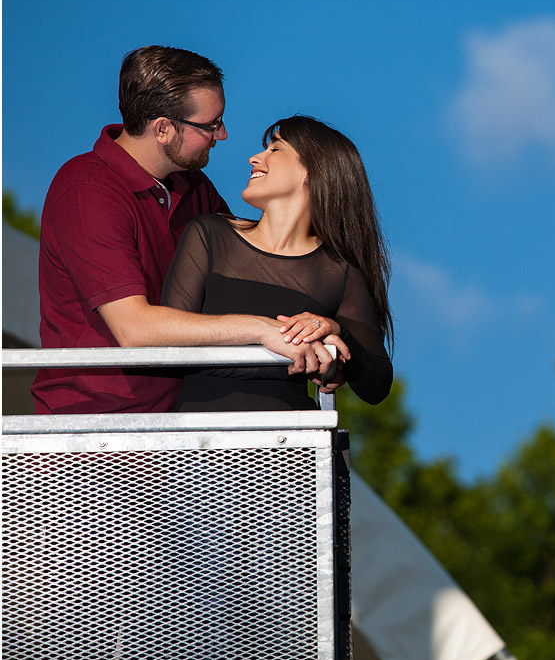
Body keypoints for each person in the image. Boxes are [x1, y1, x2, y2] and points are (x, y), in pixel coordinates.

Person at [34, 46, 322, 415]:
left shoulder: (194, 187)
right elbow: (134, 329)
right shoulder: (86, 188)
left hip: (183, 428)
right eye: (211, 124)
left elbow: (258, 273)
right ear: (163, 129)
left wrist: (319, 324)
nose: (223, 134)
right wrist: (262, 330)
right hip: (95, 435)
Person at [161, 115, 393, 410]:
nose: (255, 158)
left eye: (275, 149)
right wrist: (264, 335)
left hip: (291, 449)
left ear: (312, 170)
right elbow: (169, 338)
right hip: (200, 445)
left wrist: (335, 332)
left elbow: (378, 383)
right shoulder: (209, 234)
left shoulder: (339, 272)